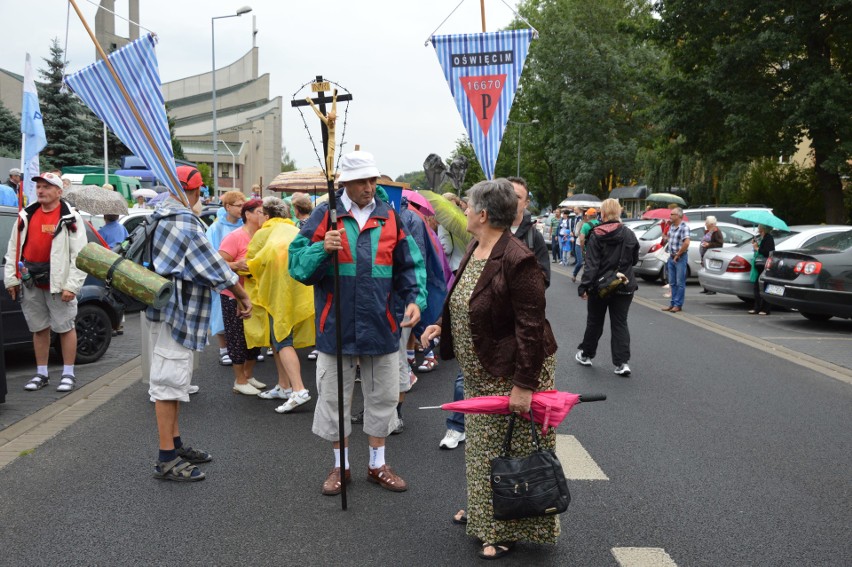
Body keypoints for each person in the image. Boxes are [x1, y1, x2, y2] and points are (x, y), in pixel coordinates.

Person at [421, 178, 559, 561]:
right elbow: (463, 297)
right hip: (483, 370)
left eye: (467, 205)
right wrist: (441, 325)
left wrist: (523, 386)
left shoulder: (518, 259)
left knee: (507, 450)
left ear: (482, 214)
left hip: (512, 371)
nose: (463, 210)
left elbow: (531, 327)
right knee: (481, 448)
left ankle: (505, 527)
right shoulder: (478, 246)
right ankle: (484, 510)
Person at [289, 150, 426, 496]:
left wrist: (414, 299)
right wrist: (322, 249)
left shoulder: (390, 217)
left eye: (372, 179)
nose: (368, 186)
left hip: (382, 326)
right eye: (361, 180)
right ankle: (342, 466)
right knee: (335, 401)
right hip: (335, 327)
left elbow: (410, 266)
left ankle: (378, 463)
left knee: (381, 398)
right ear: (345, 183)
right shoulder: (324, 215)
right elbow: (297, 266)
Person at [145, 165, 252, 482]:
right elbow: (215, 268)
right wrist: (242, 294)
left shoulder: (161, 215)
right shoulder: (183, 221)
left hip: (167, 308)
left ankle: (174, 445)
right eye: (200, 191)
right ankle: (166, 458)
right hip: (177, 311)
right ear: (192, 191)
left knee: (174, 382)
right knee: (167, 384)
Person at [4, 171, 87, 392]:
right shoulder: (25, 216)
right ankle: (42, 374)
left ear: (59, 192)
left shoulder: (71, 217)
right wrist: (11, 279)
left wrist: (72, 285)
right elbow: (13, 249)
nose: (41, 190)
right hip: (31, 281)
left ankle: (68, 374)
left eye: (47, 187)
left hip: (58, 283)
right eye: (39, 187)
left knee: (65, 327)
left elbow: (80, 256)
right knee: (39, 328)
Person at [245, 197, 314, 412]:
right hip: (300, 292)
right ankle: (284, 386)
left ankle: (298, 389)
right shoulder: (294, 229)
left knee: (283, 341)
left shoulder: (265, 232)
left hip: (277, 293)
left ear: (266, 215)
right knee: (278, 340)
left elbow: (252, 262)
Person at [575, 198, 640, 376]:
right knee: (620, 323)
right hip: (624, 284)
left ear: (602, 214)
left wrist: (584, 286)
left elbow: (592, 265)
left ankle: (586, 354)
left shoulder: (596, 234)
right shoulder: (629, 234)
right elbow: (634, 259)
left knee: (595, 321)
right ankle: (622, 363)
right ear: (619, 212)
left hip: (600, 286)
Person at [218, 198, 269, 395]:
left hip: (257, 294)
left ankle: (248, 375)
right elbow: (218, 263)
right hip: (234, 294)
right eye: (260, 212)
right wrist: (236, 265)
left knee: (255, 337)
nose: (263, 216)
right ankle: (239, 380)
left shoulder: (263, 236)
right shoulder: (235, 237)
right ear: (248, 215)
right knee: (237, 336)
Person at [205, 190, 246, 366]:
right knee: (219, 313)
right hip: (221, 279)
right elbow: (210, 254)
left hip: (243, 278)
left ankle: (240, 348)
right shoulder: (216, 228)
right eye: (239, 205)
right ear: (228, 206)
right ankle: (223, 349)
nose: (242, 209)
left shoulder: (243, 225)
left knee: (241, 312)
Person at [508, 177, 550, 287]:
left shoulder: (535, 237)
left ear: (526, 203)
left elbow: (544, 278)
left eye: (517, 197)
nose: (511, 200)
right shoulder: (489, 232)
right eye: (508, 194)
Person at [662, 207, 690, 313]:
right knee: (672, 282)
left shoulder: (684, 227)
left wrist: (678, 254)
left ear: (678, 216)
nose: (670, 216)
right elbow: (669, 239)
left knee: (680, 282)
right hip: (671, 256)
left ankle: (678, 304)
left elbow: (686, 243)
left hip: (680, 257)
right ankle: (673, 303)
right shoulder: (672, 227)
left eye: (672, 214)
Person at [749, 224, 775, 315]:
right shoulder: (762, 237)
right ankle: (757, 308)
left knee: (764, 286)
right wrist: (755, 244)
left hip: (765, 266)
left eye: (759, 227)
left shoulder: (769, 238)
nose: (758, 228)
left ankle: (765, 309)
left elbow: (768, 252)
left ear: (763, 229)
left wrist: (757, 248)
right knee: (757, 287)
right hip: (759, 266)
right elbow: (760, 248)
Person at [439, 192, 466, 275]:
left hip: (454, 266)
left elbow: (447, 248)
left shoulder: (444, 223)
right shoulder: (464, 220)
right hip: (466, 262)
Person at [699, 216, 723, 295]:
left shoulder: (716, 231)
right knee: (705, 270)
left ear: (712, 224)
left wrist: (708, 244)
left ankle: (711, 289)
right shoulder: (708, 231)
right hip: (705, 253)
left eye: (707, 223)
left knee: (710, 272)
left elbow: (719, 243)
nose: (705, 224)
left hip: (712, 254)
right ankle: (706, 288)